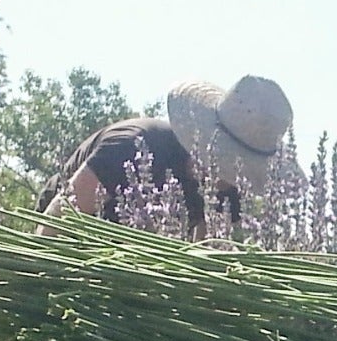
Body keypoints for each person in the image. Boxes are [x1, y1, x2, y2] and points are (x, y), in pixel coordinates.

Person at [37, 76, 293, 235]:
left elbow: (204, 258)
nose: (231, 180)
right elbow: (57, 219)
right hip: (71, 241)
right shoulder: (133, 147)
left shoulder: (231, 190)